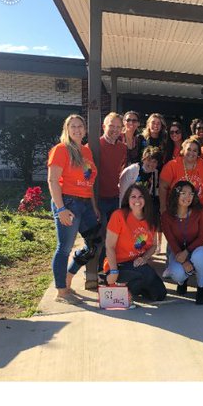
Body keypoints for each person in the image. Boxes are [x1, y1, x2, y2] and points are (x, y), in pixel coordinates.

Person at [47, 114, 101, 300]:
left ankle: (68, 277)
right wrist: (60, 209)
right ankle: (62, 291)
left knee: (94, 243)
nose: (77, 130)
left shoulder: (86, 151)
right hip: (68, 202)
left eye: (80, 126)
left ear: (85, 130)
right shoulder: (61, 149)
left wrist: (94, 206)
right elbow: (53, 180)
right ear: (67, 130)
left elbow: (89, 182)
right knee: (64, 248)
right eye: (73, 126)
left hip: (86, 204)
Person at [104, 185, 166, 301]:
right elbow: (109, 246)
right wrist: (113, 271)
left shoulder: (151, 218)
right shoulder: (119, 215)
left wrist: (144, 258)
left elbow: (154, 245)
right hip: (118, 265)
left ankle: (132, 289)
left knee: (160, 294)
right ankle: (121, 290)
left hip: (137, 264)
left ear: (146, 199)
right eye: (133, 197)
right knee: (147, 273)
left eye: (141, 196)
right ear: (127, 199)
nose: (137, 200)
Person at [161, 180, 203, 304]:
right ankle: (182, 282)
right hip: (177, 250)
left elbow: (201, 237)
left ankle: (201, 288)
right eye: (183, 193)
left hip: (196, 248)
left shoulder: (199, 212)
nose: (188, 197)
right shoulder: (166, 216)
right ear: (176, 194)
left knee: (200, 257)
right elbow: (171, 240)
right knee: (177, 273)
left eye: (191, 194)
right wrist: (182, 260)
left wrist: (186, 252)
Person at [159, 138, 203, 230]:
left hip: (202, 209)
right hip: (177, 209)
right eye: (189, 149)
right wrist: (163, 208)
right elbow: (163, 187)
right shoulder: (172, 165)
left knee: (199, 236)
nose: (191, 153)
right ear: (183, 150)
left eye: (195, 150)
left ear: (198, 153)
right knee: (177, 235)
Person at [97, 111, 126, 269]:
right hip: (99, 198)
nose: (115, 129)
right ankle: (98, 269)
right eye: (111, 126)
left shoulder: (122, 148)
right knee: (101, 236)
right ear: (104, 127)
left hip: (115, 197)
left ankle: (110, 266)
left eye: (118, 127)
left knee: (114, 235)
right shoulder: (94, 146)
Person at [138, 145, 163, 254]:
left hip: (150, 201)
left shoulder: (155, 172)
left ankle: (152, 246)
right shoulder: (136, 170)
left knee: (150, 225)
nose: (151, 164)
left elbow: (155, 188)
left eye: (154, 161)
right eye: (149, 160)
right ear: (144, 159)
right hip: (136, 203)